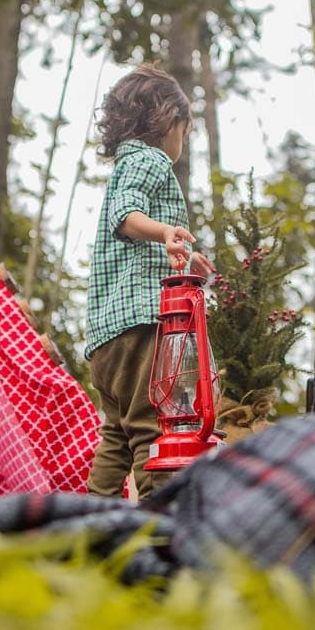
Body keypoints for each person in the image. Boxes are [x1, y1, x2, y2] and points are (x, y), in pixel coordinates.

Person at [84, 64, 214, 500]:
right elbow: (127, 215)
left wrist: (178, 254)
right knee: (150, 429)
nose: (182, 142)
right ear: (167, 122)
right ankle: (157, 526)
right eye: (185, 131)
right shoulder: (151, 161)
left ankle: (89, 524)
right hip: (140, 325)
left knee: (116, 437)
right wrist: (163, 232)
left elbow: (129, 234)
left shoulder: (124, 164)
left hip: (106, 339)